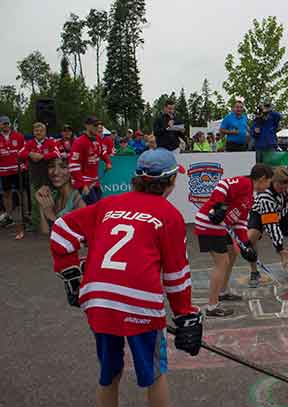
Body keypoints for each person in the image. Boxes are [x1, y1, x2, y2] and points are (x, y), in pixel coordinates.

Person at [50, 148, 202, 407]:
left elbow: (61, 230)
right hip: (140, 303)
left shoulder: (108, 204)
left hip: (98, 300)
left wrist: (73, 278)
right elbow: (176, 275)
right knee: (154, 375)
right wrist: (185, 315)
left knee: (108, 374)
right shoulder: (169, 215)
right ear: (171, 181)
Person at [195, 164, 273, 317]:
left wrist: (246, 244)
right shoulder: (244, 183)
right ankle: (212, 306)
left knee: (233, 253)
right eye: (269, 182)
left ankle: (222, 292)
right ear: (262, 179)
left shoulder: (251, 197)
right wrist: (218, 206)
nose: (269, 185)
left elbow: (240, 223)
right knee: (222, 262)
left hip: (221, 227)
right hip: (209, 223)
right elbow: (223, 185)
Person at [247, 167, 288, 287]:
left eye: (286, 187)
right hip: (260, 212)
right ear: (272, 182)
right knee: (251, 238)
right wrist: (280, 249)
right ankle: (254, 272)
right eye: (280, 187)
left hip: (281, 212)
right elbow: (272, 226)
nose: (283, 190)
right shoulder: (266, 196)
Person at [18, 122, 60, 235]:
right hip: (35, 176)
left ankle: (52, 223)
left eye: (41, 130)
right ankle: (37, 225)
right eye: (36, 131)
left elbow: (57, 153)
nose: (39, 133)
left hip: (49, 177)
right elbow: (20, 153)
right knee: (35, 200)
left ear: (45, 132)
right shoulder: (29, 143)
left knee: (50, 199)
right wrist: (30, 154)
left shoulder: (51, 142)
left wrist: (42, 156)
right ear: (33, 132)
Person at [35, 156, 85, 234]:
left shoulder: (79, 199)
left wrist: (50, 214)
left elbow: (76, 238)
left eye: (63, 167)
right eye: (51, 166)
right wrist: (42, 206)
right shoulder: (54, 196)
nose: (55, 172)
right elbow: (45, 233)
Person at [69, 116, 112, 205]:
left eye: (98, 125)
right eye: (94, 125)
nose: (97, 127)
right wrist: (82, 184)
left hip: (94, 181)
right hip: (83, 181)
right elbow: (73, 166)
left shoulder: (97, 139)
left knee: (98, 205)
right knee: (92, 207)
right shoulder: (79, 142)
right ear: (87, 126)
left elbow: (102, 152)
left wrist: (108, 162)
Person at [0, 115, 25, 228]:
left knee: (22, 191)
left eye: (7, 123)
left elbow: (24, 151)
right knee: (7, 194)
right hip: (4, 171)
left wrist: (24, 164)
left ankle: (25, 215)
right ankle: (9, 217)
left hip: (18, 169)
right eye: (3, 123)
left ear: (9, 124)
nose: (5, 125)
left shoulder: (18, 136)